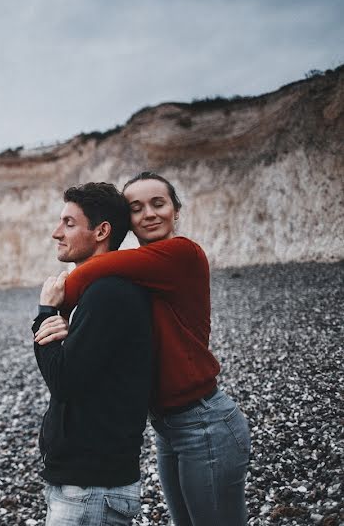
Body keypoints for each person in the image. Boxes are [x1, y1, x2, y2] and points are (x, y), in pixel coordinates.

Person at [47, 171, 251, 526]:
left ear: (176, 210)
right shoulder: (139, 271)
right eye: (137, 208)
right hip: (168, 426)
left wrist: (54, 308)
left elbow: (90, 270)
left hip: (204, 419)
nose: (149, 214)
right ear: (128, 219)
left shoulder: (182, 253)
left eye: (159, 203)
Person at [31, 182, 152, 526]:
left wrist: (44, 314)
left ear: (101, 231)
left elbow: (64, 380)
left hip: (91, 488)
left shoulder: (108, 293)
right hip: (84, 484)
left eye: (69, 223)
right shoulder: (96, 292)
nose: (57, 233)